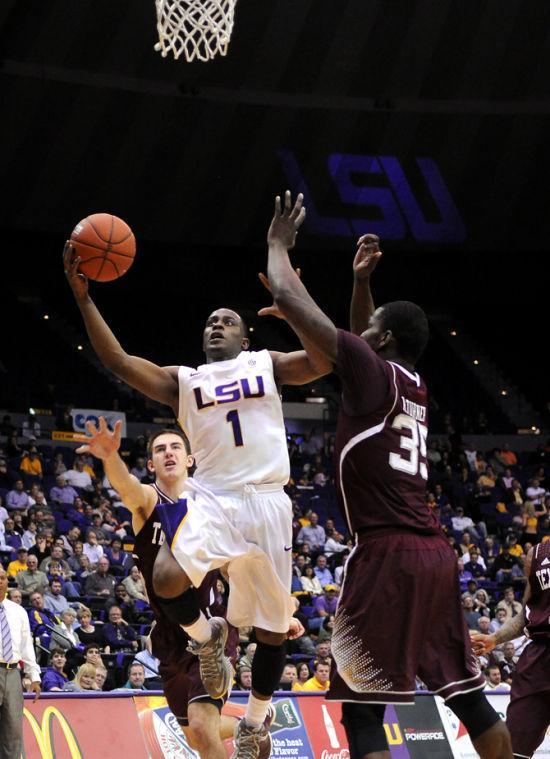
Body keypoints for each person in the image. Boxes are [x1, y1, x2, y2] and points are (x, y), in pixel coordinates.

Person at [264, 190, 512, 758]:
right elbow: (364, 339)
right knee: (470, 699)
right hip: (434, 554)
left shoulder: (374, 376)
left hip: (387, 555)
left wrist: (278, 245)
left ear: (384, 341)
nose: (363, 333)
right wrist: (359, 287)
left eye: (371, 327)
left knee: (361, 709)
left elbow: (287, 294)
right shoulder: (410, 384)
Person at [65, 234, 328, 759]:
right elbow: (117, 360)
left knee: (274, 633)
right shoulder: (184, 381)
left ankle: (255, 721)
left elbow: (326, 357)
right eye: (209, 320)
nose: (215, 325)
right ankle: (206, 639)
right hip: (216, 496)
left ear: (246, 335)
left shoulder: (267, 364)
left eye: (227, 320)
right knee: (165, 575)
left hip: (270, 500)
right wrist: (84, 298)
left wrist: (295, 306)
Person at [472, 542, 550, 758]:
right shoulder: (536, 555)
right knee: (513, 749)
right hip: (538, 657)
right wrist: (495, 638)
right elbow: (526, 613)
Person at [0, 568, 41, 757]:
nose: (0, 581)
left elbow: (27, 646)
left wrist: (34, 675)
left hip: (13, 673)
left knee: (14, 732)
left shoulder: (18, 611)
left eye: (2, 578)